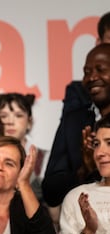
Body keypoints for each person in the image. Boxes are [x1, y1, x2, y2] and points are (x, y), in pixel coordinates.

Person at [42, 11, 110, 210]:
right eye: (87, 72)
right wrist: (85, 171)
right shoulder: (74, 122)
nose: (91, 78)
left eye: (101, 69)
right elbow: (50, 192)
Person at [56, 113, 110, 234]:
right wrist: (89, 231)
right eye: (96, 144)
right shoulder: (77, 197)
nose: (99, 152)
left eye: (109, 143)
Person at [0, 93, 49, 203]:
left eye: (18, 115)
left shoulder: (44, 157)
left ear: (29, 122)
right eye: (3, 116)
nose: (10, 122)